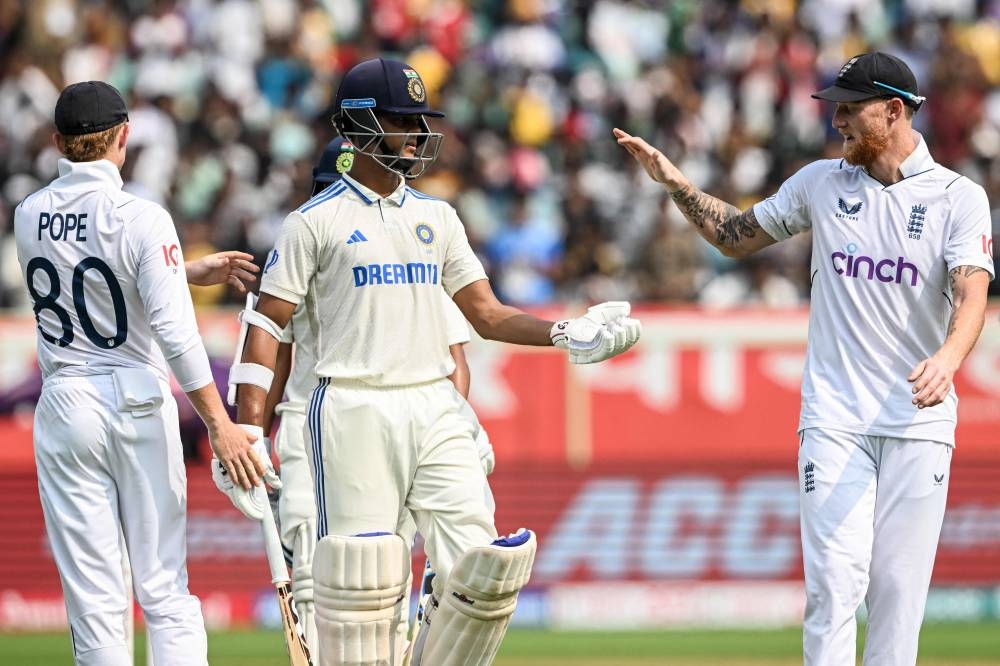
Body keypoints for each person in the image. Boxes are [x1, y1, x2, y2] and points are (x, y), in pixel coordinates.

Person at [230, 57, 640, 666]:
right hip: (350, 406)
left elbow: (487, 314)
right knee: (362, 589)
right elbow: (267, 325)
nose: (419, 134)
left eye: (421, 121)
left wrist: (564, 332)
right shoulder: (312, 222)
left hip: (432, 403)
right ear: (359, 124)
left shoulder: (437, 217)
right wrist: (247, 428)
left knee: (485, 572)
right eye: (403, 121)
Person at [616, 52, 994, 666]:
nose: (836, 120)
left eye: (850, 109)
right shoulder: (820, 182)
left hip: (918, 419)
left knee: (898, 594)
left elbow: (972, 292)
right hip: (834, 418)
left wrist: (949, 359)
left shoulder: (959, 197)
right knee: (833, 587)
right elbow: (734, 236)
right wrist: (675, 183)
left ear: (893, 110)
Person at [13, 80, 271, 666]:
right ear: (124, 137)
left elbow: (90, 273)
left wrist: (183, 270)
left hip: (66, 404)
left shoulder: (28, 215)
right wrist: (220, 424)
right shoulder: (143, 217)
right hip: (136, 398)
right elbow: (174, 331)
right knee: (163, 589)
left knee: (96, 601)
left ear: (57, 142)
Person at [249, 136, 497, 660]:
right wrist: (252, 434)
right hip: (313, 421)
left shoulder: (410, 244)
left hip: (403, 419)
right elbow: (275, 357)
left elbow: (455, 356)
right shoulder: (308, 239)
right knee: (329, 586)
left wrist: (460, 420)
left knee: (383, 585)